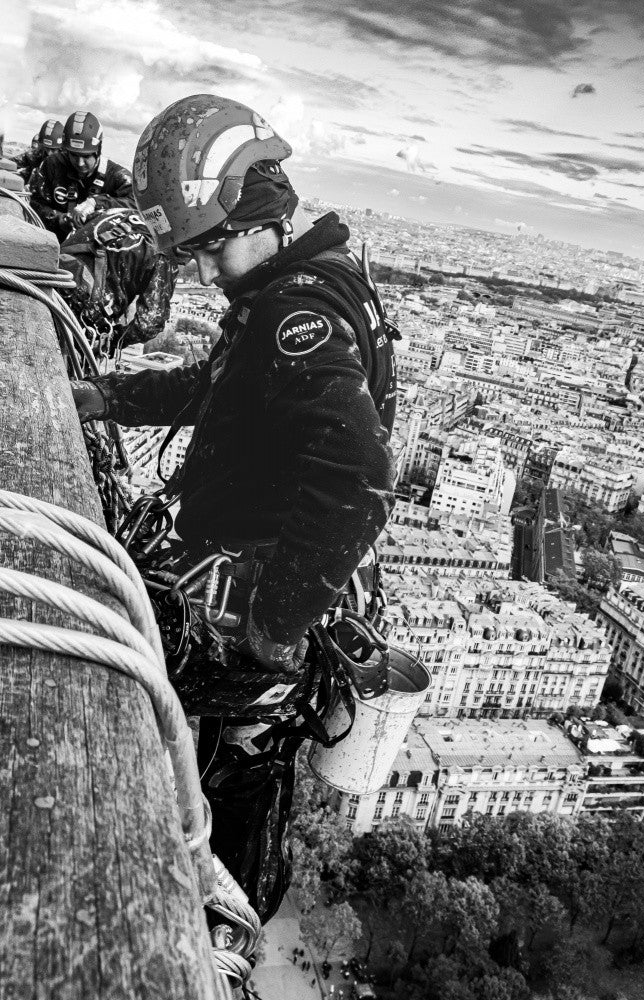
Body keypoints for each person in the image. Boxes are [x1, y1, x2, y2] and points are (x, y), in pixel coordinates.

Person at [70, 94, 397, 921]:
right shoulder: (287, 295)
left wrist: (275, 620)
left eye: (214, 248)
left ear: (259, 218)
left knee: (208, 776)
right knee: (212, 773)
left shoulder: (295, 317)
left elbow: (357, 472)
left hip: (250, 603)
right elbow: (210, 390)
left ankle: (212, 933)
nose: (207, 273)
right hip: (256, 583)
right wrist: (106, 397)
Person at [59, 207, 177, 353]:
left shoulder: (122, 212)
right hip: (77, 313)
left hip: (54, 274)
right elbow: (149, 324)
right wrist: (113, 340)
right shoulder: (164, 254)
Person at [30, 111, 134, 241]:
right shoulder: (52, 165)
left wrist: (98, 202)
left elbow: (138, 205)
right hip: (52, 241)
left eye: (86, 156)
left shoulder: (117, 176)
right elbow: (35, 201)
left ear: (98, 150)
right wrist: (58, 219)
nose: (80, 163)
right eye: (74, 155)